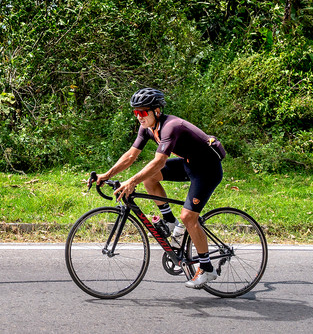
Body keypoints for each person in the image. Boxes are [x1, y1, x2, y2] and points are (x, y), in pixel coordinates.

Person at [94, 87, 227, 288]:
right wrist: (107, 175)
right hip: (189, 163)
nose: (139, 116)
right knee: (150, 179)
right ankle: (170, 222)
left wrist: (131, 181)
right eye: (135, 112)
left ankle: (207, 268)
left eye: (142, 112)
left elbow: (158, 162)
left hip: (207, 169)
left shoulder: (170, 127)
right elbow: (131, 156)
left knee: (189, 217)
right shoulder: (146, 128)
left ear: (156, 111)